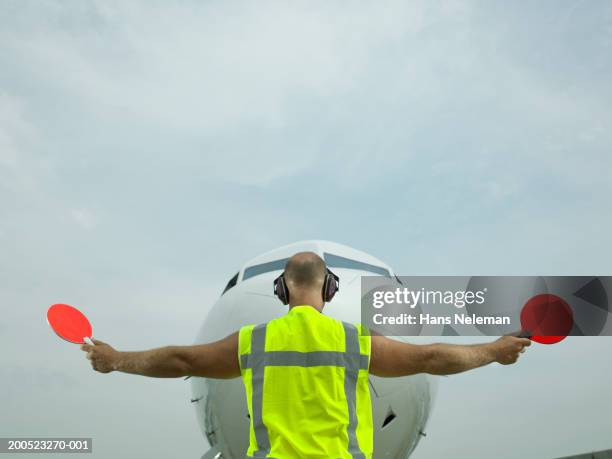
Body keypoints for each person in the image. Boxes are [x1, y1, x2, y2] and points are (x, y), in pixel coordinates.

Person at [81, 251, 530, 459]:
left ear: (281, 287)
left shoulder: (254, 340)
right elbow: (433, 358)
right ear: (330, 287)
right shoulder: (353, 340)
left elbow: (181, 360)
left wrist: (117, 359)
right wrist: (493, 350)